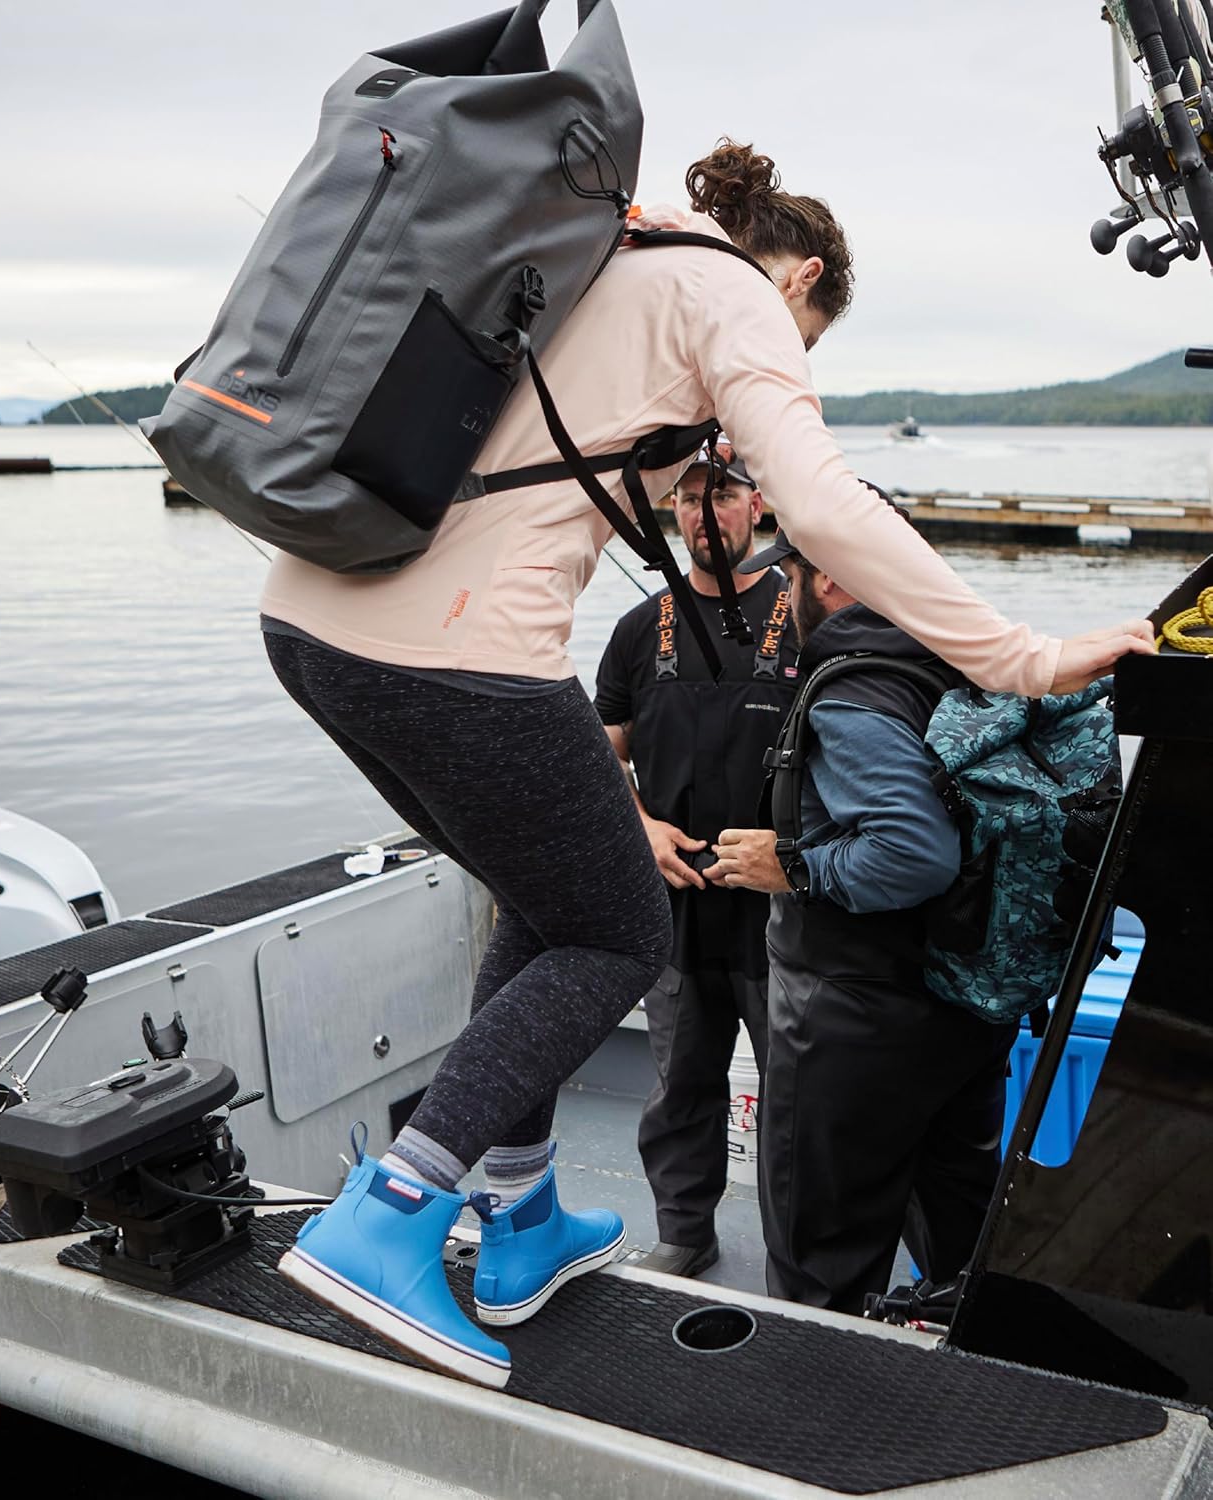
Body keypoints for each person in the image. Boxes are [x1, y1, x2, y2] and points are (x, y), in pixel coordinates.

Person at [259, 138, 1152, 1388]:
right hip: (455, 649)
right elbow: (824, 504)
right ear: (805, 279)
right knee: (618, 935)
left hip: (311, 621)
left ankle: (520, 1217)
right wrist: (1023, 657)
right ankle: (392, 1217)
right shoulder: (735, 290)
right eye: (810, 342)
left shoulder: (608, 252)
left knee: (544, 907)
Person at [709, 514, 1018, 1314]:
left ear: (833, 579)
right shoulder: (959, 657)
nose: (783, 594)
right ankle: (964, 1363)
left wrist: (793, 866)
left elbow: (914, 853)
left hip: (854, 1020)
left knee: (820, 1260)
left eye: (792, 574)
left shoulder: (855, 691)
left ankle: (816, 1389)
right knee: (960, 1236)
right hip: (962, 1004)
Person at [595, 446, 797, 1278]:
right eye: (688, 497)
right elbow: (600, 750)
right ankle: (685, 1232)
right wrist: (639, 827)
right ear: (670, 511)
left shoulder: (806, 615)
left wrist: (794, 854)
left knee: (796, 1093)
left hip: (780, 907)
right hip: (676, 901)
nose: (704, 512)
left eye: (722, 494)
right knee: (681, 1082)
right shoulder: (640, 628)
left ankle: (802, 1256)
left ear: (758, 507)